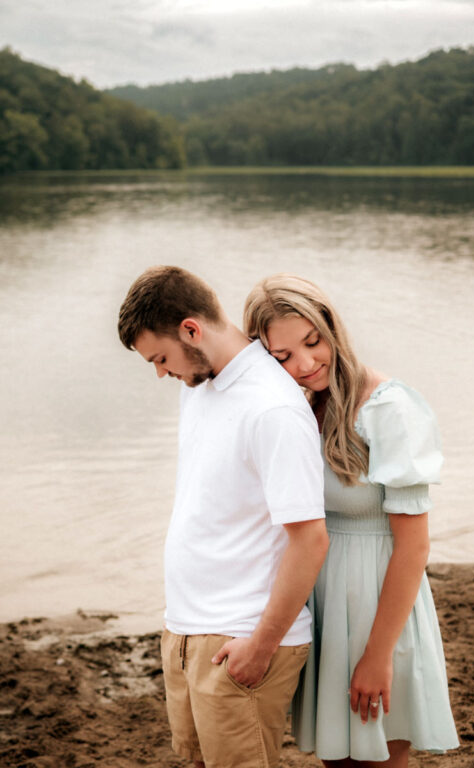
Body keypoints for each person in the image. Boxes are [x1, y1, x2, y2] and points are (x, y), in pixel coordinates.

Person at [117, 266, 329, 768]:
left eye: (161, 357)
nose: (161, 372)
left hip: (242, 637)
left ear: (192, 330)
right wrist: (179, 631)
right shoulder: (199, 387)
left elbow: (310, 539)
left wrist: (261, 644)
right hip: (187, 630)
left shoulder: (271, 406)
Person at [243, 274, 459, 768]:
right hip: (320, 602)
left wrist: (377, 654)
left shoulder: (389, 407)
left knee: (379, 760)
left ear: (331, 327)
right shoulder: (296, 408)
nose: (305, 364)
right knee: (338, 760)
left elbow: (414, 547)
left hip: (377, 607)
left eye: (313, 342)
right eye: (282, 357)